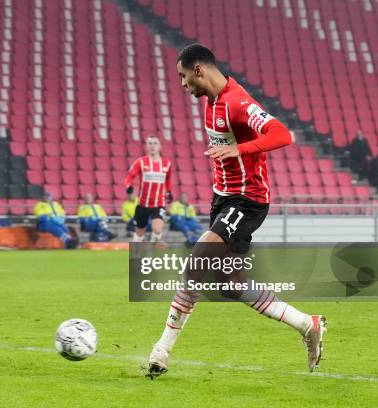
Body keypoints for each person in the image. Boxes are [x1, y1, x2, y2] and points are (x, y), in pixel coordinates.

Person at [146, 44, 325, 379]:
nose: (183, 85)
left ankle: (162, 350)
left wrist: (238, 149)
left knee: (196, 264)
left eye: (184, 77)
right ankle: (307, 324)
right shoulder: (210, 102)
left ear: (199, 70)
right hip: (224, 200)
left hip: (247, 200)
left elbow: (282, 134)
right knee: (231, 284)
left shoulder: (237, 102)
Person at [124, 135, 173, 243]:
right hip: (143, 204)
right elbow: (129, 176)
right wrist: (129, 186)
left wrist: (169, 191)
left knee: (157, 229)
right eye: (150, 143)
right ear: (146, 146)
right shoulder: (140, 162)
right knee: (139, 234)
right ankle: (137, 252)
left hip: (159, 203)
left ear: (160, 146)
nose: (152, 146)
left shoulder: (167, 164)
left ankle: (153, 247)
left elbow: (168, 179)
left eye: (155, 143)